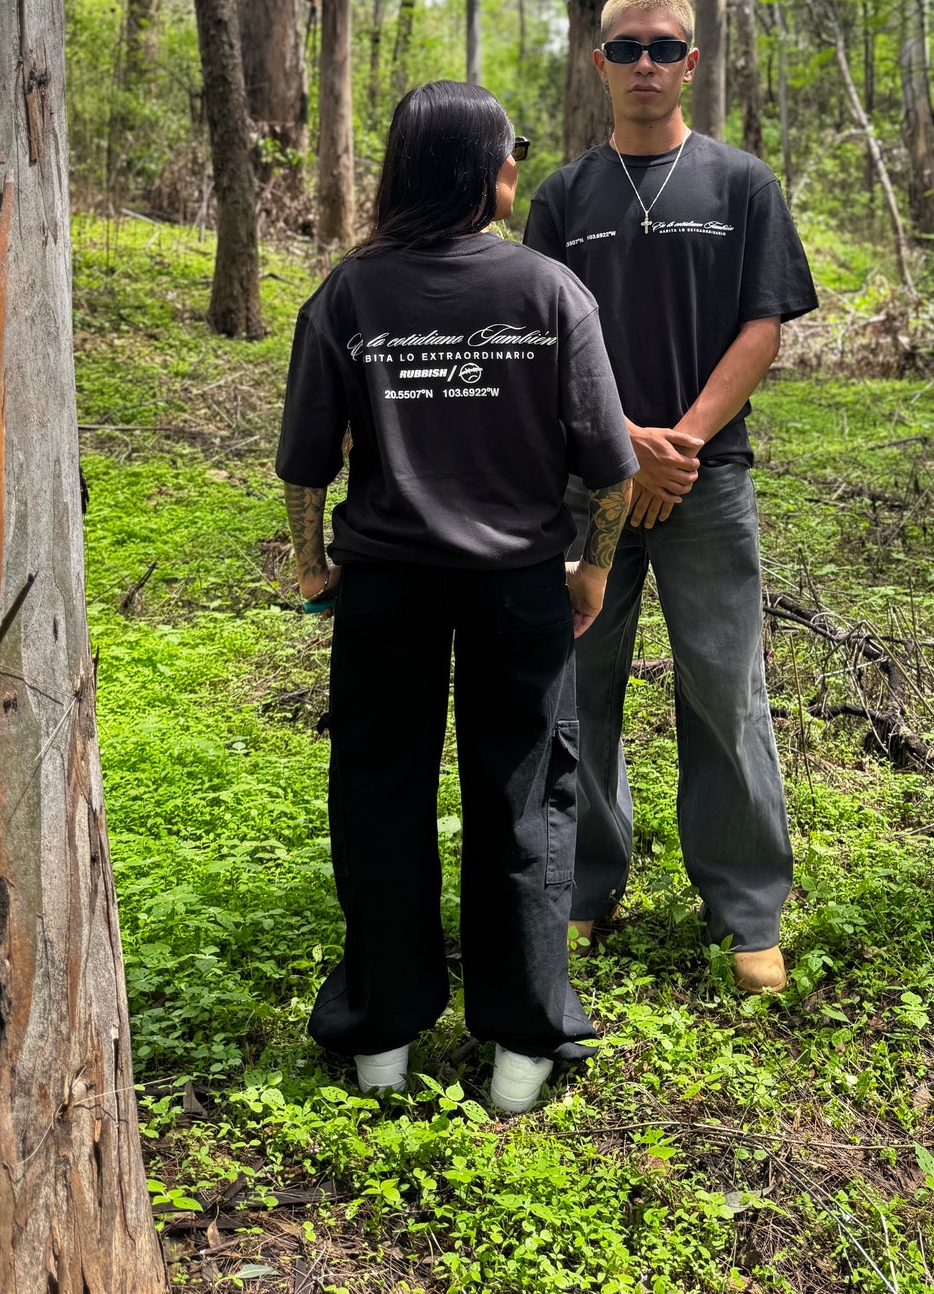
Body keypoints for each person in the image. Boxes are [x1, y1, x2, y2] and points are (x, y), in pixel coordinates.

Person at [276, 81, 637, 1114]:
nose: (516, 168)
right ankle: (522, 1051)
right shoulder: (550, 292)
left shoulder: (347, 295)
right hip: (516, 590)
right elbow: (609, 469)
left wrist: (313, 572)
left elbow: (306, 464)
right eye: (507, 152)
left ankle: (381, 1034)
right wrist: (592, 570)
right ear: (488, 172)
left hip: (386, 588)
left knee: (379, 798)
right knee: (521, 802)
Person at [524, 0, 818, 994]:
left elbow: (763, 324)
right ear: (597, 63)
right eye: (624, 48)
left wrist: (681, 440)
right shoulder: (563, 197)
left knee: (723, 691)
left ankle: (745, 911)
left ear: (690, 62)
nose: (643, 64)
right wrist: (618, 447)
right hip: (584, 491)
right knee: (575, 693)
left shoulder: (739, 185)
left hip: (706, 481)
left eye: (663, 48)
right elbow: (544, 337)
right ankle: (581, 890)